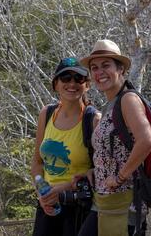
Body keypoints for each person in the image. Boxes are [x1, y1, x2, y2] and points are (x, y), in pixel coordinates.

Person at [78, 40, 151, 236]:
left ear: (120, 69)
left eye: (106, 65)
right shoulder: (111, 105)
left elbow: (146, 140)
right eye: (94, 68)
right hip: (106, 202)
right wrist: (96, 170)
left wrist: (120, 176)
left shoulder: (128, 100)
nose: (99, 72)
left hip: (124, 204)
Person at [31, 57, 100, 236]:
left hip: (79, 209)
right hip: (47, 207)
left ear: (87, 85)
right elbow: (37, 162)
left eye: (79, 78)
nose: (72, 83)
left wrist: (63, 188)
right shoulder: (47, 114)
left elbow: (102, 171)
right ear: (55, 84)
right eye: (65, 78)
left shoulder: (93, 120)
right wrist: (42, 193)